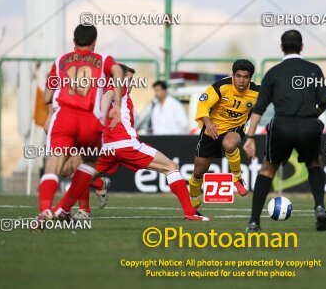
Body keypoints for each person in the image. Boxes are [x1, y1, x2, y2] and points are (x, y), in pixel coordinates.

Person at [53, 64, 209, 221]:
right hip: (125, 145)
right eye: (128, 78)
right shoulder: (116, 86)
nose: (131, 83)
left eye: (132, 80)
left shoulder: (98, 90)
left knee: (83, 177)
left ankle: (64, 209)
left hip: (106, 148)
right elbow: (109, 96)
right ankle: (190, 212)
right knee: (171, 167)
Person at [243, 30, 326, 232]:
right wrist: (311, 115)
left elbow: (259, 108)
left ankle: (254, 221)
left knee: (267, 169)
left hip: (282, 125)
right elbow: (324, 102)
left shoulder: (273, 73)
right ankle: (319, 206)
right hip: (309, 125)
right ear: (302, 46)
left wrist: (250, 136)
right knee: (315, 163)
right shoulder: (314, 70)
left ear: (282, 47)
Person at [38, 24, 123, 222]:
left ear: (74, 41)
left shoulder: (60, 61)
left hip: (64, 117)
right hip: (90, 120)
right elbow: (118, 71)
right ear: (95, 42)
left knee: (55, 164)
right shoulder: (103, 60)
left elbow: (47, 96)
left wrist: (51, 109)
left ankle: (45, 210)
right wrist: (117, 105)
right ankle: (65, 209)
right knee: (88, 162)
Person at [188, 59, 259, 208]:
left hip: (234, 129)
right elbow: (203, 104)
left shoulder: (257, 92)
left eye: (245, 77)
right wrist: (208, 123)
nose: (241, 80)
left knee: (230, 143)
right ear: (233, 75)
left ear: (250, 78)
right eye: (238, 76)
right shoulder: (221, 86)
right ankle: (194, 199)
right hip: (211, 130)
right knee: (198, 172)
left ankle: (237, 178)